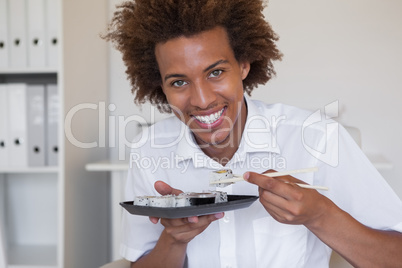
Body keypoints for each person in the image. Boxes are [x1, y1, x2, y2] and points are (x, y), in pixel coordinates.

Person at [103, 0, 402, 267]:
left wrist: (319, 214)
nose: (202, 100)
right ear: (161, 86)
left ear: (243, 64)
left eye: (216, 73)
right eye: (179, 82)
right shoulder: (150, 150)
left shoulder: (317, 138)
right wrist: (174, 239)